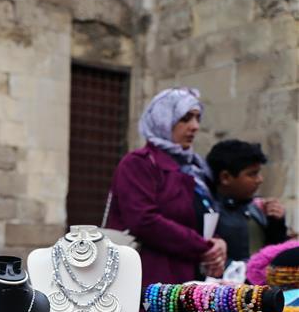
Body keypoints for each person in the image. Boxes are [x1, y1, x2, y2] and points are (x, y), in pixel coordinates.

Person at [105, 87, 227, 286]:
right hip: (152, 279)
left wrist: (217, 242)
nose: (195, 126)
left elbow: (201, 215)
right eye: (185, 118)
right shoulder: (139, 163)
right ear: (163, 119)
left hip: (192, 279)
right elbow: (144, 220)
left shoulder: (196, 168)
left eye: (197, 118)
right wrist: (202, 246)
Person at [206, 139, 288, 264]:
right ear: (225, 177)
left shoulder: (257, 209)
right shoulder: (208, 212)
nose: (260, 179)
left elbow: (274, 255)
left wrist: (276, 224)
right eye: (252, 174)